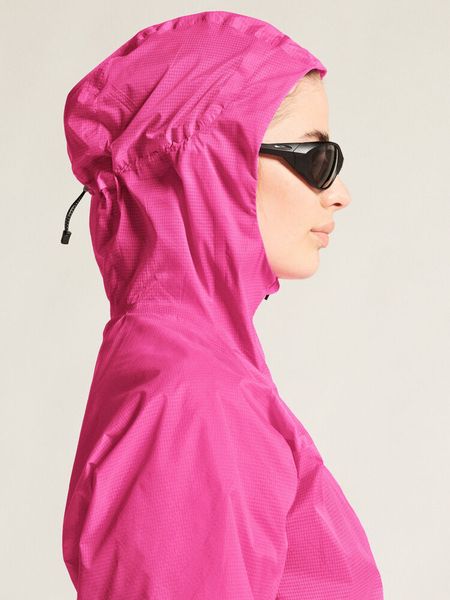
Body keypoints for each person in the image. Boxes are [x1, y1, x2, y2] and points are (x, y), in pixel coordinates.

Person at [61, 10, 384, 599]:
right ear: (211, 161)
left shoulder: (184, 362)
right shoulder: (193, 397)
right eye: (316, 158)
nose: (339, 194)